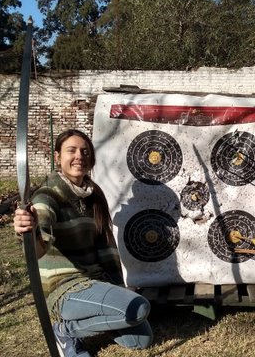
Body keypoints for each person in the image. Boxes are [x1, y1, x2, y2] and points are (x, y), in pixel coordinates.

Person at [14, 129, 153, 357]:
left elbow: (106, 248)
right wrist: (28, 231)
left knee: (140, 339)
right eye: (71, 150)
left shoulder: (93, 194)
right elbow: (38, 250)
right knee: (138, 307)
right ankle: (65, 329)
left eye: (85, 151)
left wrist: (118, 287)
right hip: (65, 289)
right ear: (58, 157)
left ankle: (92, 319)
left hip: (95, 282)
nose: (79, 156)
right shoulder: (47, 196)